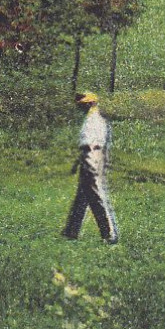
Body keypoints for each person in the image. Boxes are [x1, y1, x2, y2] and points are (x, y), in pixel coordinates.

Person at [63, 91, 119, 244]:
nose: (80, 107)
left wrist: (87, 160)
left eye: (83, 104)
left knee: (95, 194)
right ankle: (71, 232)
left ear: (90, 103)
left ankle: (109, 234)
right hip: (88, 156)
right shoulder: (91, 119)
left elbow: (92, 144)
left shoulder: (95, 119)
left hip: (92, 156)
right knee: (82, 196)